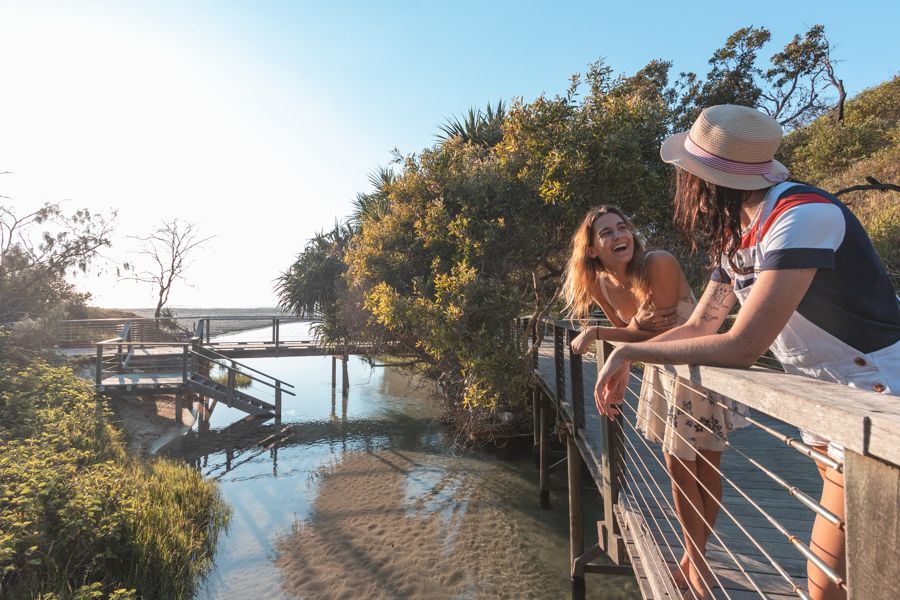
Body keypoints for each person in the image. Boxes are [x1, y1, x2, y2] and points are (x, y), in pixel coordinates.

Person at [595, 104, 900, 600]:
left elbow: (743, 345)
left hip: (878, 397)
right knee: (860, 572)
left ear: (705, 180)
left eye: (686, 174)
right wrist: (626, 353)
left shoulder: (802, 215)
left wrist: (629, 356)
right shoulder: (737, 237)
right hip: (829, 403)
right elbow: (701, 324)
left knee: (828, 583)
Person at [563, 205, 746, 599]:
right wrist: (616, 335)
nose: (618, 235)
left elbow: (661, 335)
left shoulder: (658, 263)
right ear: (591, 249)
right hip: (663, 371)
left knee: (705, 464)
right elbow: (636, 334)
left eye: (622, 227)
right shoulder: (600, 286)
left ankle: (695, 561)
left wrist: (605, 338)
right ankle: (695, 560)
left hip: (698, 366)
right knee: (678, 467)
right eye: (606, 233)